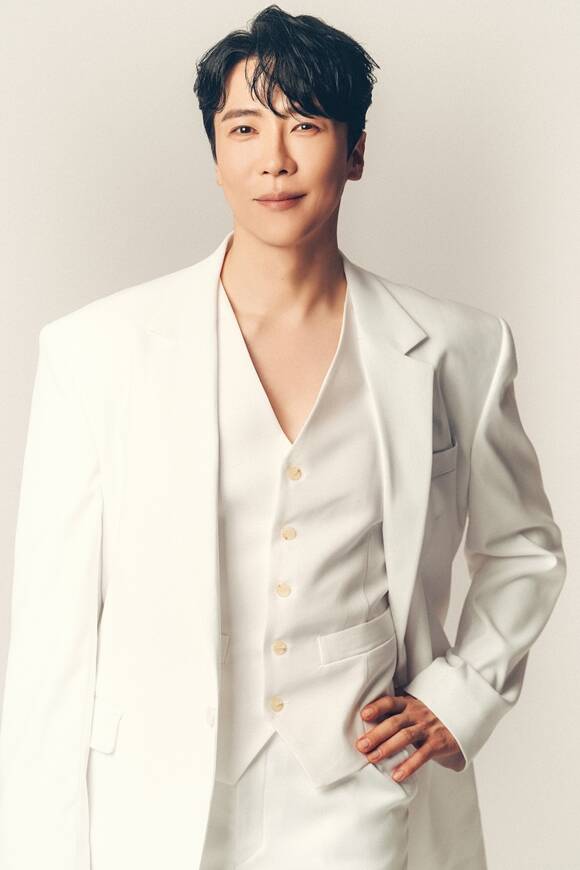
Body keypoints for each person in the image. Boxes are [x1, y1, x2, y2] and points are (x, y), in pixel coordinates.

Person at [0, 5, 566, 870]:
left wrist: (462, 696)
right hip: (151, 799)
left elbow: (524, 546)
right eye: (244, 128)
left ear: (356, 151)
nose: (274, 158)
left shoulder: (458, 348)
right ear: (216, 154)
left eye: (306, 125)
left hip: (363, 794)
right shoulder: (95, 352)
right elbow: (51, 637)